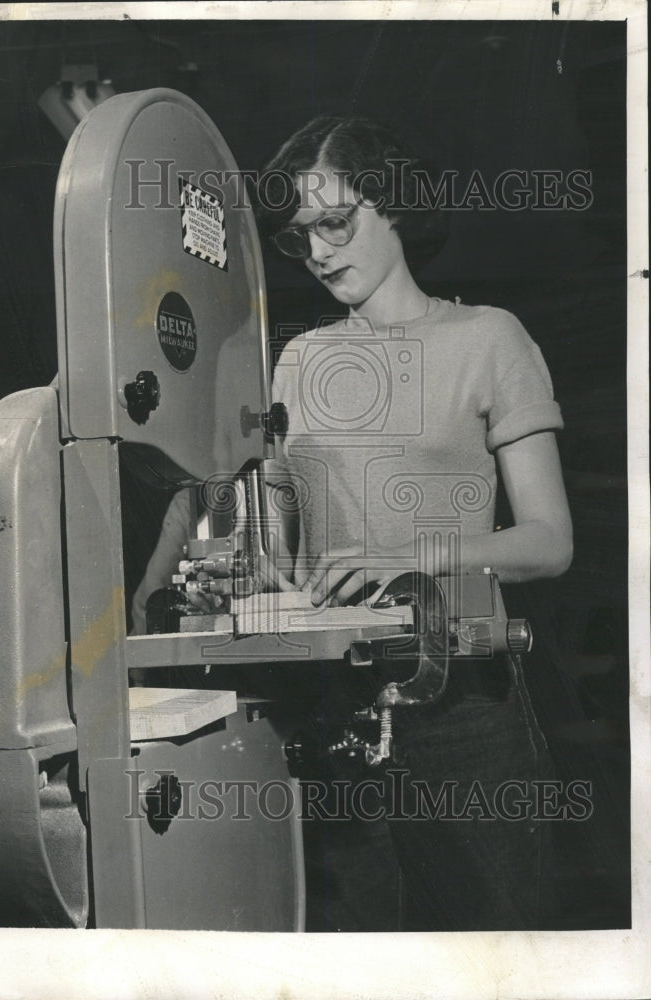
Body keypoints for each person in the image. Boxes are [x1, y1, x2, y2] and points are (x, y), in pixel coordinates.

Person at [255, 116, 573, 930]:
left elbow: (546, 542)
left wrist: (411, 554)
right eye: (301, 237)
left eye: (335, 221)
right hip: (330, 707)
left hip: (464, 706)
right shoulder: (297, 361)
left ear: (393, 203)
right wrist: (263, 568)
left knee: (493, 954)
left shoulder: (489, 337)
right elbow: (279, 537)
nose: (320, 252)